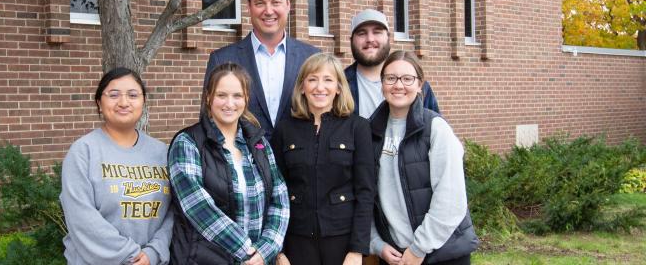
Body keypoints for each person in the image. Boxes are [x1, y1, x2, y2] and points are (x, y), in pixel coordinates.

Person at [169, 62, 290, 265]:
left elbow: (280, 199)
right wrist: (249, 253)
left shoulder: (258, 143)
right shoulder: (188, 143)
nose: (229, 103)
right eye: (221, 95)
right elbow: (198, 208)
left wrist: (267, 249)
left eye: (237, 96)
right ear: (208, 97)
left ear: (246, 99)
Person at [369, 51, 478, 265]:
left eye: (407, 78)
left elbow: (450, 199)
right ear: (382, 84)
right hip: (395, 255)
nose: (398, 85)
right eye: (390, 78)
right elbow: (366, 195)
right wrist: (377, 244)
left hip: (441, 253)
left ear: (420, 85)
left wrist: (418, 249)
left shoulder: (436, 129)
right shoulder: (370, 132)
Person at [60, 68, 173, 265]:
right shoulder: (83, 151)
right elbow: (82, 220)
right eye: (113, 95)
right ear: (99, 103)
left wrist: (153, 253)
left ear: (143, 102)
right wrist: (131, 256)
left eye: (132, 95)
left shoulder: (162, 152)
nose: (123, 102)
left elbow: (173, 213)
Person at [270, 53, 375, 265]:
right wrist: (278, 250)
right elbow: (274, 190)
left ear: (338, 88)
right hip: (296, 241)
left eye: (328, 80)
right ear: (302, 87)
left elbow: (366, 191)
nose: (320, 87)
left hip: (343, 240)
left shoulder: (358, 128)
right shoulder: (284, 129)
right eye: (312, 79)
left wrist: (357, 250)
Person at [204, 0, 320, 139]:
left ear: (288, 5)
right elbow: (209, 121)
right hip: (243, 161)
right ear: (249, 7)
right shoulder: (222, 59)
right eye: (260, 3)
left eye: (276, 2)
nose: (268, 11)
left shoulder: (311, 57)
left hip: (298, 163)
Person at [344, 9, 440, 119]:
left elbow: (433, 127)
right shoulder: (340, 84)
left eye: (377, 32)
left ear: (388, 38)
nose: (370, 39)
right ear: (351, 40)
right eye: (362, 33)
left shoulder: (416, 85)